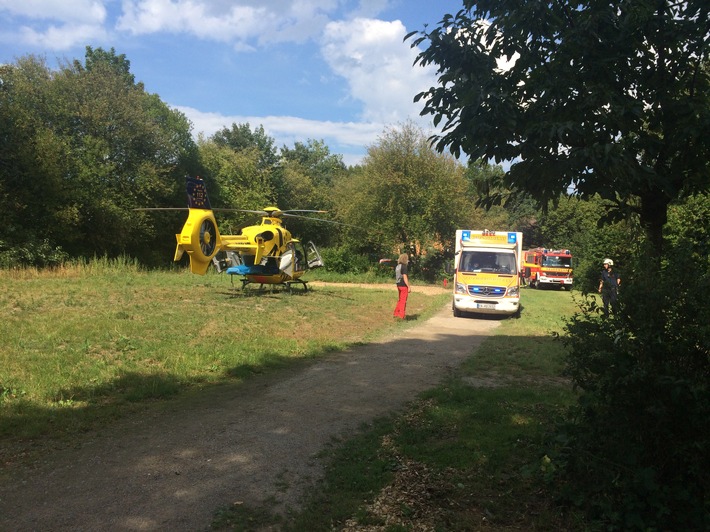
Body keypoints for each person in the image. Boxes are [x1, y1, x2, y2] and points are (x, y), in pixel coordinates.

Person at [393, 253, 411, 319]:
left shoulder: (398, 266)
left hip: (398, 284)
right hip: (403, 285)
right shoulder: (404, 267)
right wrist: (408, 286)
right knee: (403, 301)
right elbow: (405, 276)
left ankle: (396, 313)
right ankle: (401, 315)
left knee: (400, 300)